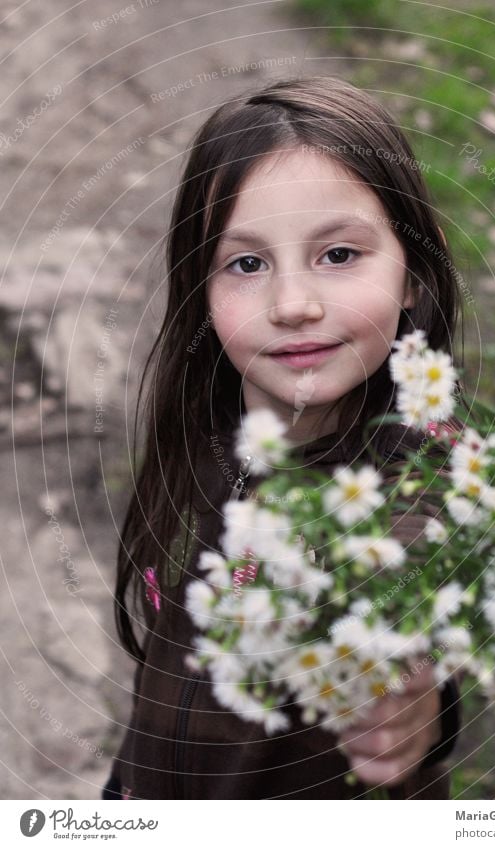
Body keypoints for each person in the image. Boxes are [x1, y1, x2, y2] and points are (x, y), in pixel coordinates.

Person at [102, 74, 468, 800]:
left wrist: (415, 709)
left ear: (413, 277)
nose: (293, 305)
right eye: (246, 263)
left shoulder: (415, 484)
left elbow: (411, 637)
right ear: (199, 286)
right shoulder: (208, 421)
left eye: (339, 255)